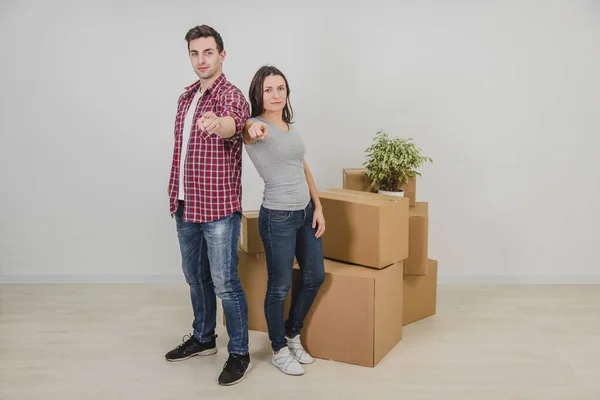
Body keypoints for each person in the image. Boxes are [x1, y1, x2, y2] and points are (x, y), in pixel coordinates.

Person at [165, 25, 251, 386]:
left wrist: (220, 124)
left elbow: (235, 123)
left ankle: (240, 352)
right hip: (185, 202)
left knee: (225, 282)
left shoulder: (231, 95)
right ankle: (203, 338)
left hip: (218, 208)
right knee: (195, 277)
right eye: (195, 53)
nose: (201, 60)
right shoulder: (186, 98)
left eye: (208, 52)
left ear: (222, 55)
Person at [242, 66, 326, 376]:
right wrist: (251, 129)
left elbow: (303, 168)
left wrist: (318, 207)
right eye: (268, 90)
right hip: (277, 217)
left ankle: (292, 333)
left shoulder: (289, 126)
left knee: (315, 276)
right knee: (278, 287)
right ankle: (278, 348)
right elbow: (247, 132)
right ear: (258, 94)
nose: (276, 95)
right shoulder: (255, 126)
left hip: (305, 213)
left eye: (280, 88)